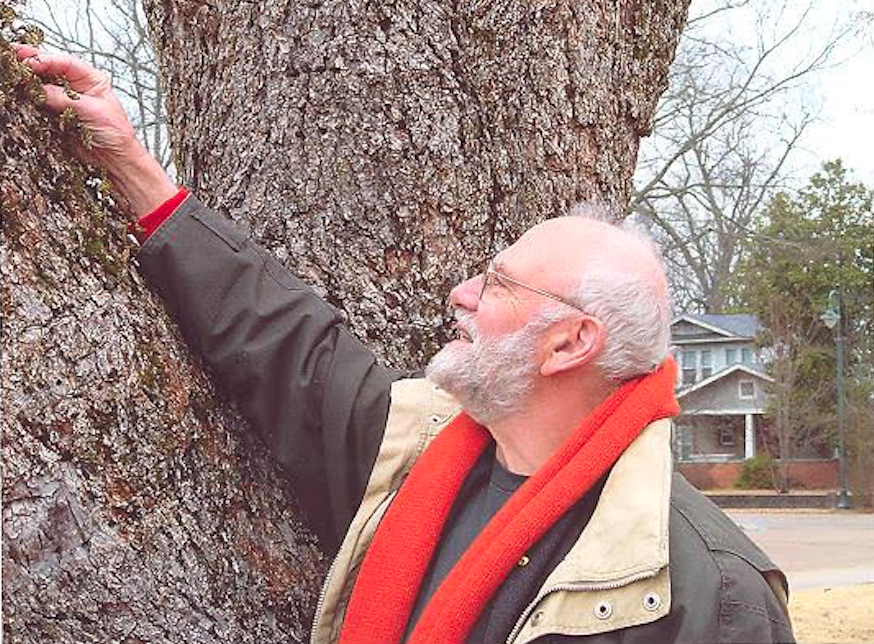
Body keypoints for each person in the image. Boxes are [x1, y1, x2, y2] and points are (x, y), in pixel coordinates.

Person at [16, 45, 795, 644]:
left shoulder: (707, 587)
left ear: (568, 343)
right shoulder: (419, 451)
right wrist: (132, 168)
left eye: (495, 283)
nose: (461, 294)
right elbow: (288, 343)